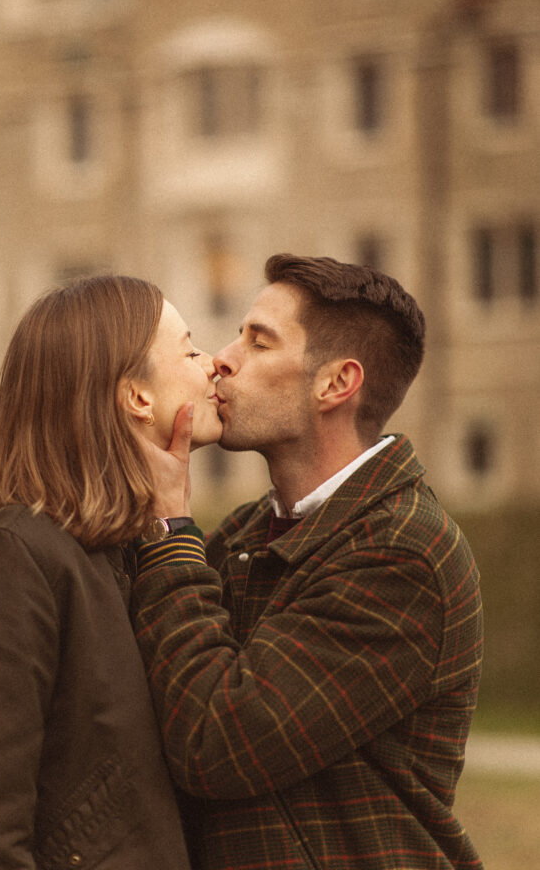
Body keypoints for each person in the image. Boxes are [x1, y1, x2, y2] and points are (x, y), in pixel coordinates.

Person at [131, 254, 484, 870]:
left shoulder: (404, 553)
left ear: (336, 384)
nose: (222, 359)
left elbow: (216, 741)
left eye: (258, 342)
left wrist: (169, 527)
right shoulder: (246, 533)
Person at [0, 274, 222, 870]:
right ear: (136, 397)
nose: (214, 365)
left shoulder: (120, 561)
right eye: (191, 350)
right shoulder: (9, 564)